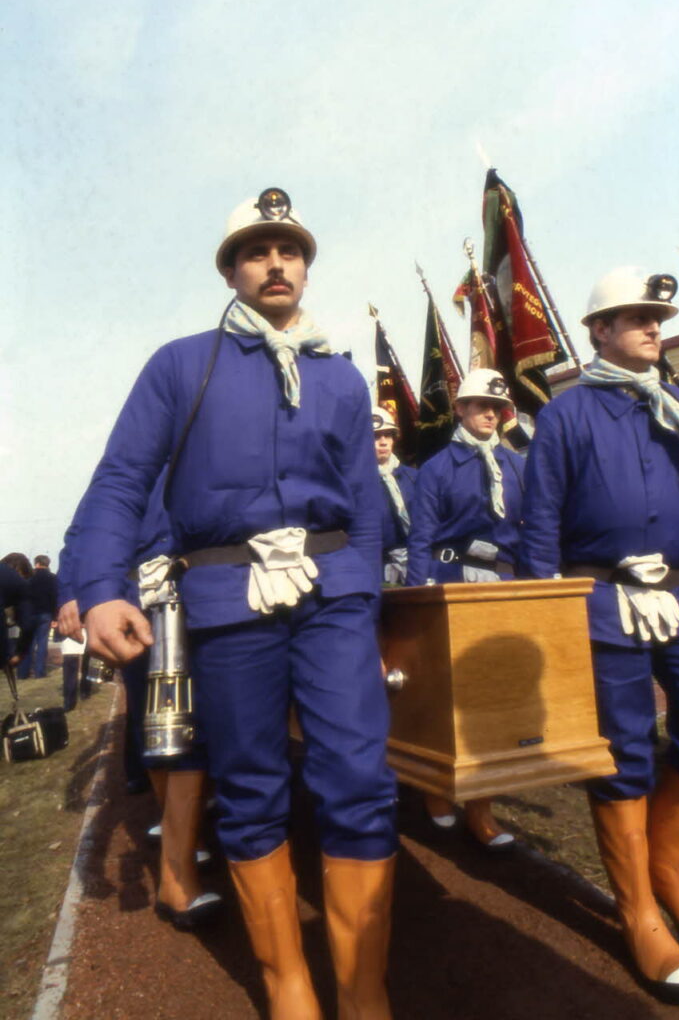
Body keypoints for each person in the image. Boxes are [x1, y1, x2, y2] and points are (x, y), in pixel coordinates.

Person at [73, 187, 396, 1019]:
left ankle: (363, 993)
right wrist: (100, 588)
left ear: (306, 266)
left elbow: (366, 505)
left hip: (332, 595)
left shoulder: (341, 378)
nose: (275, 263)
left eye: (289, 250)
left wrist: (362, 600)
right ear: (230, 272)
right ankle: (289, 987)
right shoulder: (182, 365)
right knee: (251, 785)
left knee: (360, 779)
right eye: (256, 251)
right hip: (226, 598)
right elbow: (122, 479)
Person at [519, 267, 679, 1004]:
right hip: (598, 600)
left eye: (658, 317)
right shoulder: (566, 414)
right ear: (599, 330)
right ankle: (640, 914)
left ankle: (673, 875)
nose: (654, 326)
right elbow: (539, 525)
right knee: (621, 757)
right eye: (636, 316)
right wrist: (549, 624)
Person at [58, 469, 220, 925]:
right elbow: (83, 530)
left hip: (208, 590)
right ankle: (180, 858)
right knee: (161, 722)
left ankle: (189, 832)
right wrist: (71, 592)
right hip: (140, 600)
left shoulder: (207, 446)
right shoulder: (131, 462)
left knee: (206, 718)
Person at [407, 368, 525, 850]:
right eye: (480, 406)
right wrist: (417, 598)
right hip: (451, 580)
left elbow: (533, 529)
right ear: (459, 409)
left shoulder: (516, 466)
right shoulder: (437, 468)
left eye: (497, 408)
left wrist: (539, 587)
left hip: (503, 582)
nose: (490, 415)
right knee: (446, 693)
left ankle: (481, 808)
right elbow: (421, 537)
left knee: (495, 698)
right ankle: (436, 788)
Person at [373, 406, 415, 585]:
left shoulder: (414, 478)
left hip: (415, 566)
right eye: (376, 436)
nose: (383, 442)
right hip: (377, 569)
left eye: (388, 435)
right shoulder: (356, 483)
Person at [17, 554, 58, 678]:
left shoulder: (29, 577)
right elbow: (55, 598)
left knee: (28, 643)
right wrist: (55, 617)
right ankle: (39, 672)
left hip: (29, 613)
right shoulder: (53, 578)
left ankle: (23, 672)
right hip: (45, 614)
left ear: (37, 564)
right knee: (42, 643)